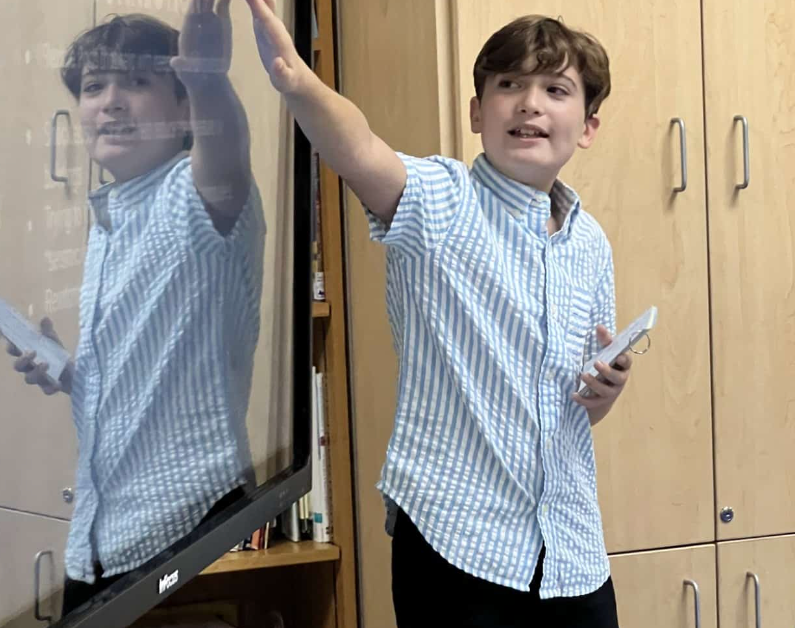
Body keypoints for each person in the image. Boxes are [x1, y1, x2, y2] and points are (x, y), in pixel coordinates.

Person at [247, 2, 630, 626]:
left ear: (586, 126)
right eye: (509, 85)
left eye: (555, 89)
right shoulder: (442, 202)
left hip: (570, 549)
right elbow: (361, 148)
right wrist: (298, 83)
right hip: (458, 544)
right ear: (478, 112)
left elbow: (583, 402)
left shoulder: (591, 244)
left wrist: (606, 388)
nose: (530, 103)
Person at [1, 0, 265, 615]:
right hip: (99, 538)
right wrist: (64, 370)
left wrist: (206, 78)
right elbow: (146, 381)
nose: (111, 101)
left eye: (138, 82)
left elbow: (225, 151)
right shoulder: (111, 214)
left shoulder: (197, 194)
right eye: (95, 87)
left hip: (181, 530)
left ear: (182, 112)